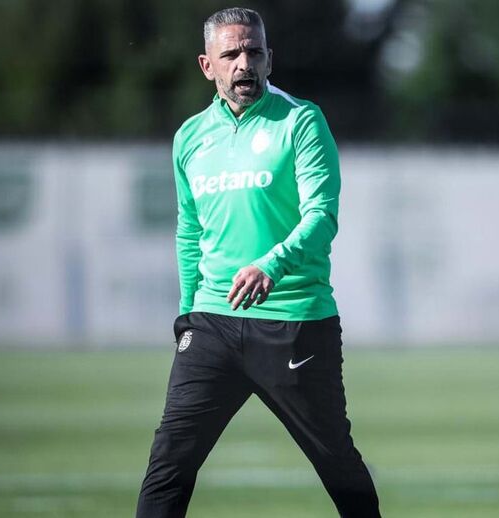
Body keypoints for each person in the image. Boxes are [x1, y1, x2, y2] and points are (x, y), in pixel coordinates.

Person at [135, 7, 381, 517]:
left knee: (336, 462)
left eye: (253, 51)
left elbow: (322, 216)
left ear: (270, 59)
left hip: (293, 324)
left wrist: (271, 265)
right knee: (168, 463)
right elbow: (190, 232)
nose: (244, 63)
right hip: (211, 325)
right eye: (231, 54)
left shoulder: (300, 121)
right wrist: (186, 312)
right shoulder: (189, 138)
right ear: (207, 65)